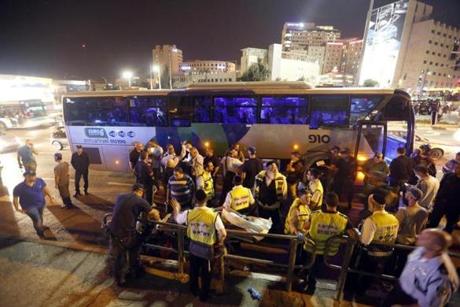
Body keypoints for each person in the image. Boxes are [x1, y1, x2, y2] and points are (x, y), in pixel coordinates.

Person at [172, 189, 227, 302]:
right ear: (206, 199)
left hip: (193, 248)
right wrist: (219, 243)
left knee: (194, 271)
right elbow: (223, 233)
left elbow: (177, 219)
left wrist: (176, 208)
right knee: (206, 274)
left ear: (195, 200)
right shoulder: (213, 215)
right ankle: (204, 296)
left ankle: (194, 290)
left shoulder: (189, 213)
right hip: (206, 251)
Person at [381, 229, 459, 307]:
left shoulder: (440, 276)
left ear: (436, 247)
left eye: (426, 238)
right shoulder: (421, 252)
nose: (417, 236)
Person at [302, 192, 355, 294]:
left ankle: (309, 285)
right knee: (318, 265)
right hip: (329, 250)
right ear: (337, 203)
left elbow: (305, 227)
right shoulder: (344, 219)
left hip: (312, 248)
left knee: (311, 264)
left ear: (325, 202)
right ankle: (310, 281)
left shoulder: (314, 215)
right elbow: (353, 235)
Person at [109, 183, 152, 286]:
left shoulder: (120, 196)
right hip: (125, 234)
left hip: (113, 230)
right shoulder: (139, 200)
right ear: (140, 192)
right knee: (136, 245)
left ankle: (118, 277)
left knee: (118, 255)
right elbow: (153, 212)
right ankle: (133, 271)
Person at [12, 170, 56, 238]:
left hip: (41, 203)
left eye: (34, 175)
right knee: (36, 219)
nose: (33, 177)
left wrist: (51, 197)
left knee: (40, 216)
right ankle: (40, 232)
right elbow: (15, 198)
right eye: (30, 176)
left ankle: (40, 225)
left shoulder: (39, 181)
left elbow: (45, 188)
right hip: (29, 207)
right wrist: (17, 208)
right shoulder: (19, 187)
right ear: (25, 177)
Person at [254, 161, 287, 233]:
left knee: (275, 224)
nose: (273, 169)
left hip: (274, 206)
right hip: (262, 205)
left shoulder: (281, 178)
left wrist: (280, 203)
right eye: (271, 168)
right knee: (262, 223)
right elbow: (255, 188)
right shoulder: (259, 177)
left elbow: (284, 193)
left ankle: (274, 238)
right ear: (266, 168)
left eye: (275, 168)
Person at [427, 163, 460, 233]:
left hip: (454, 207)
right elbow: (440, 187)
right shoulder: (448, 175)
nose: (456, 169)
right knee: (433, 220)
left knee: (450, 224)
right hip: (441, 203)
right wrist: (436, 198)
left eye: (458, 168)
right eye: (456, 167)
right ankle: (429, 234)